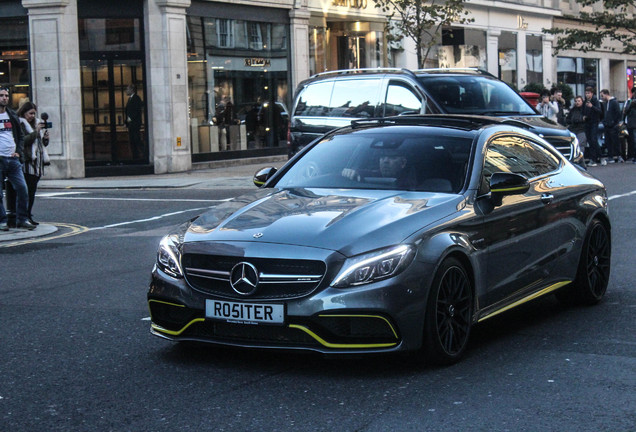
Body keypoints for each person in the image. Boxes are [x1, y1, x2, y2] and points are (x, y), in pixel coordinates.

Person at [5, 101, 49, 225]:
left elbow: (40, 144)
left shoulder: (36, 123)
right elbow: (23, 141)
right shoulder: (20, 124)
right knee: (26, 191)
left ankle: (28, 215)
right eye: (30, 113)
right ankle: (23, 217)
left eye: (34, 113)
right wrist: (36, 132)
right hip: (27, 162)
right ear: (24, 113)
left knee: (32, 191)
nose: (32, 116)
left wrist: (45, 139)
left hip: (37, 163)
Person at [0, 87, 36, 231]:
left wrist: (18, 152)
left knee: (22, 189)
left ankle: (22, 219)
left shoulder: (12, 115)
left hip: (13, 160)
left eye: (6, 95)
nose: (4, 98)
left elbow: (20, 136)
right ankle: (2, 221)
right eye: (1, 95)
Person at [600, 89, 623, 164]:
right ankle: (610, 157)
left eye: (602, 95)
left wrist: (614, 123)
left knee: (615, 141)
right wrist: (604, 121)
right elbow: (604, 114)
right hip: (607, 125)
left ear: (606, 94)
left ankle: (619, 156)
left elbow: (618, 113)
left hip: (613, 125)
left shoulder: (614, 102)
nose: (601, 97)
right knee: (608, 141)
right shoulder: (605, 103)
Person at [583, 86, 603, 166]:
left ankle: (594, 159)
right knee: (590, 140)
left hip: (594, 122)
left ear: (592, 93)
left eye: (588, 93)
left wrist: (592, 106)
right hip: (587, 122)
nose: (587, 95)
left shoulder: (595, 101)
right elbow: (583, 110)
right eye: (586, 93)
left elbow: (599, 111)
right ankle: (598, 157)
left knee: (593, 139)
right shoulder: (585, 101)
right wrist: (583, 116)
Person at [125, 84, 144, 160]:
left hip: (135, 124)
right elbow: (128, 112)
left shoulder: (136, 98)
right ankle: (135, 156)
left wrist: (129, 120)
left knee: (136, 140)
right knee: (133, 141)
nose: (126, 91)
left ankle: (142, 154)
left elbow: (135, 111)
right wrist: (126, 122)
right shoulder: (130, 99)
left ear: (132, 90)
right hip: (131, 124)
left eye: (127, 89)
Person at [623, 86, 636, 163]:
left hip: (632, 124)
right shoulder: (629, 102)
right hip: (631, 124)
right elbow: (625, 111)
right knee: (632, 141)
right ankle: (632, 156)